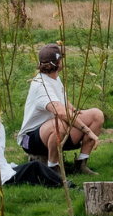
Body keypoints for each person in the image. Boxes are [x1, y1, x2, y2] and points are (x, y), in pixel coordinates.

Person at [16, 43, 105, 175]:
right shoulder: (41, 85)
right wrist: (88, 131)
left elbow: (61, 99)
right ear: (57, 63)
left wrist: (74, 110)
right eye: (62, 58)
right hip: (32, 139)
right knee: (60, 122)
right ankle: (53, 169)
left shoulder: (54, 78)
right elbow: (62, 113)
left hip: (55, 131)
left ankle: (81, 164)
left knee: (96, 115)